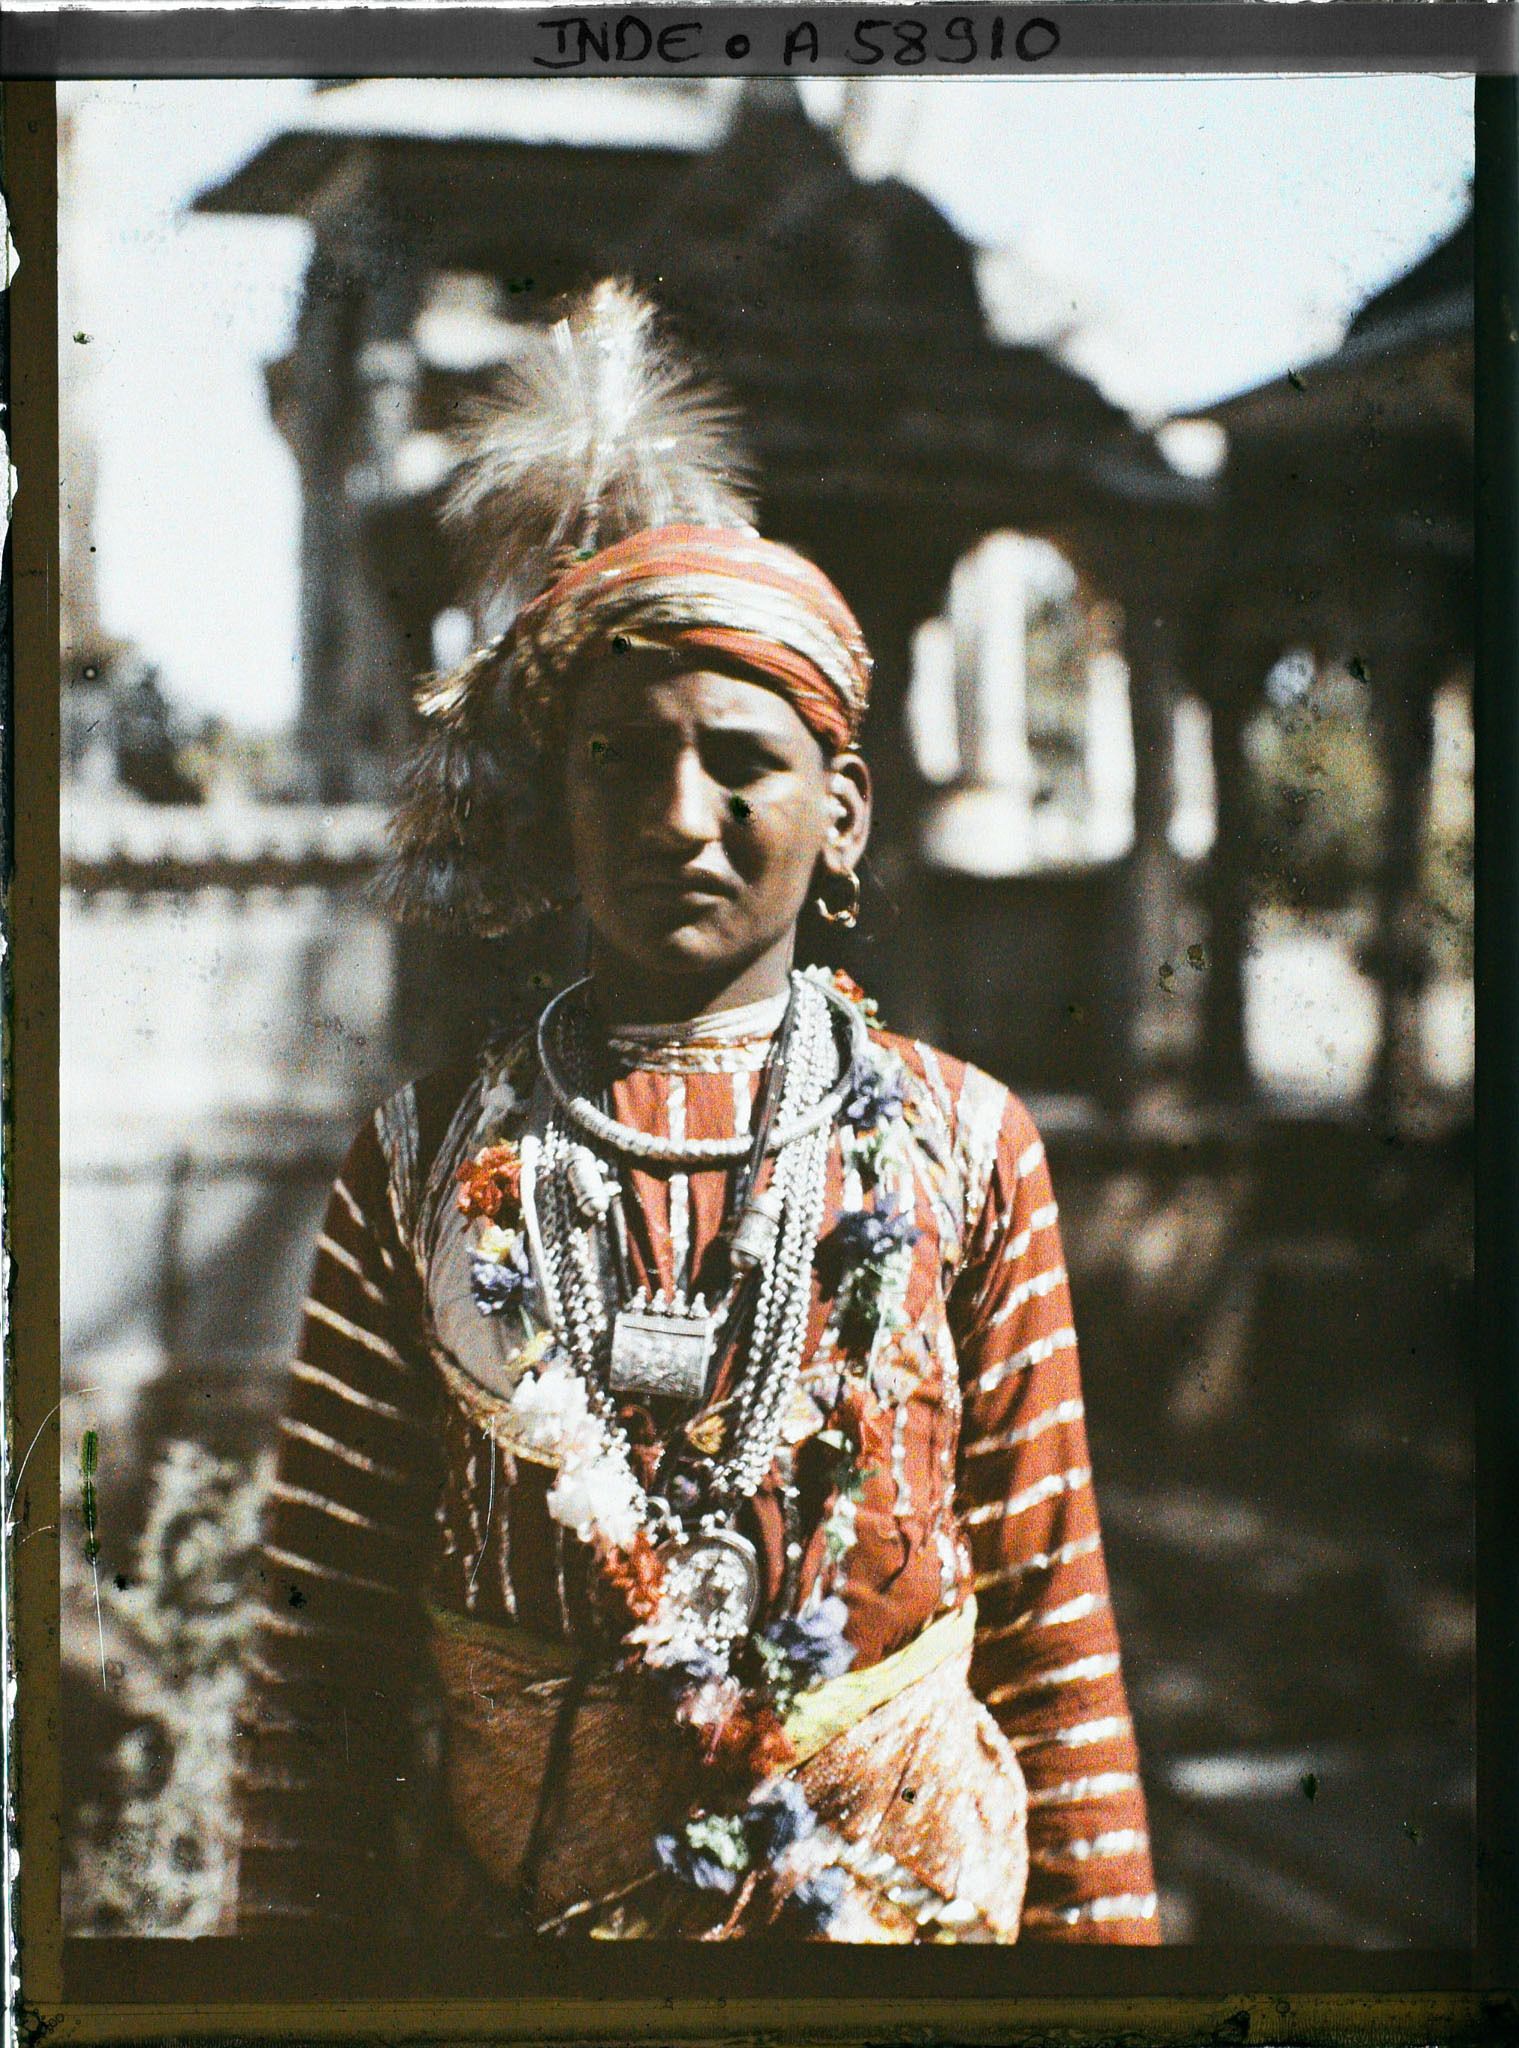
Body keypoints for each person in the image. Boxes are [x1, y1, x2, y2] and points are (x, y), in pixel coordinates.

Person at [232, 282, 1158, 1945]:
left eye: (743, 761)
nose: (682, 817)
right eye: (616, 760)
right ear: (554, 799)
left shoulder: (963, 1143)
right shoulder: (424, 1164)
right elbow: (319, 1661)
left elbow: (1056, 1631)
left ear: (845, 810)